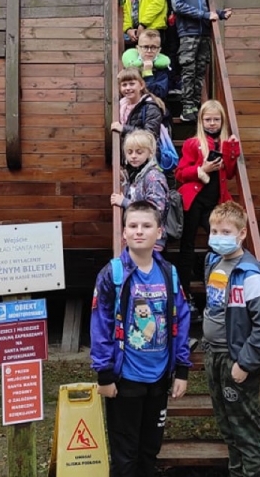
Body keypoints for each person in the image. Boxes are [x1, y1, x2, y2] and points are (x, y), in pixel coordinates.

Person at [90, 200, 191, 477]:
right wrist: (104, 374)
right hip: (125, 379)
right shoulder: (113, 273)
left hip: (159, 378)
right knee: (125, 456)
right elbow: (100, 324)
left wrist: (182, 370)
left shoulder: (169, 272)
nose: (139, 231)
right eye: (132, 225)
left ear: (159, 232)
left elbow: (181, 320)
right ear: (124, 232)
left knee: (150, 451)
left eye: (146, 226)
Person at [203, 201, 260, 477]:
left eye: (225, 232)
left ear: (242, 233)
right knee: (228, 428)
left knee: (246, 430)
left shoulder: (250, 274)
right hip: (215, 355)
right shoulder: (214, 263)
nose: (218, 237)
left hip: (236, 360)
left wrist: (244, 363)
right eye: (214, 231)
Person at [174, 99, 241, 315]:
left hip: (215, 203)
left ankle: (215, 289)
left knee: (218, 246)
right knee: (187, 247)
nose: (212, 123)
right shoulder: (193, 143)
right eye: (208, 119)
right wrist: (201, 169)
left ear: (222, 121)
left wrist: (232, 149)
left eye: (216, 119)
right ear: (201, 121)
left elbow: (229, 173)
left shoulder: (225, 143)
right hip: (194, 201)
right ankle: (185, 295)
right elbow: (180, 173)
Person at [170, 0, 232, 122]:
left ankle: (196, 105)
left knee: (200, 69)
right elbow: (178, 6)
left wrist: (219, 14)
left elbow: (206, 8)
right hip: (187, 33)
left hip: (204, 31)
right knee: (188, 69)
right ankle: (186, 106)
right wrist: (204, 15)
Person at [110, 130, 170, 249]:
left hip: (151, 240)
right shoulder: (134, 175)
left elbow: (155, 210)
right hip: (136, 237)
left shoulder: (154, 177)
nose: (133, 156)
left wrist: (124, 202)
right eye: (129, 152)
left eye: (139, 152)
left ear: (150, 153)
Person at [111, 67, 166, 146]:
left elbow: (149, 135)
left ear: (141, 85)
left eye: (132, 84)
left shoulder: (151, 107)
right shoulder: (121, 105)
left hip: (145, 151)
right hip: (128, 150)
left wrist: (123, 128)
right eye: (124, 85)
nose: (128, 88)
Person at [121, 29, 171, 102]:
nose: (149, 51)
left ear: (159, 50)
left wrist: (148, 74)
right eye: (145, 47)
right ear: (138, 48)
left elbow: (159, 94)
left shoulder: (162, 69)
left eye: (153, 47)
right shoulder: (130, 66)